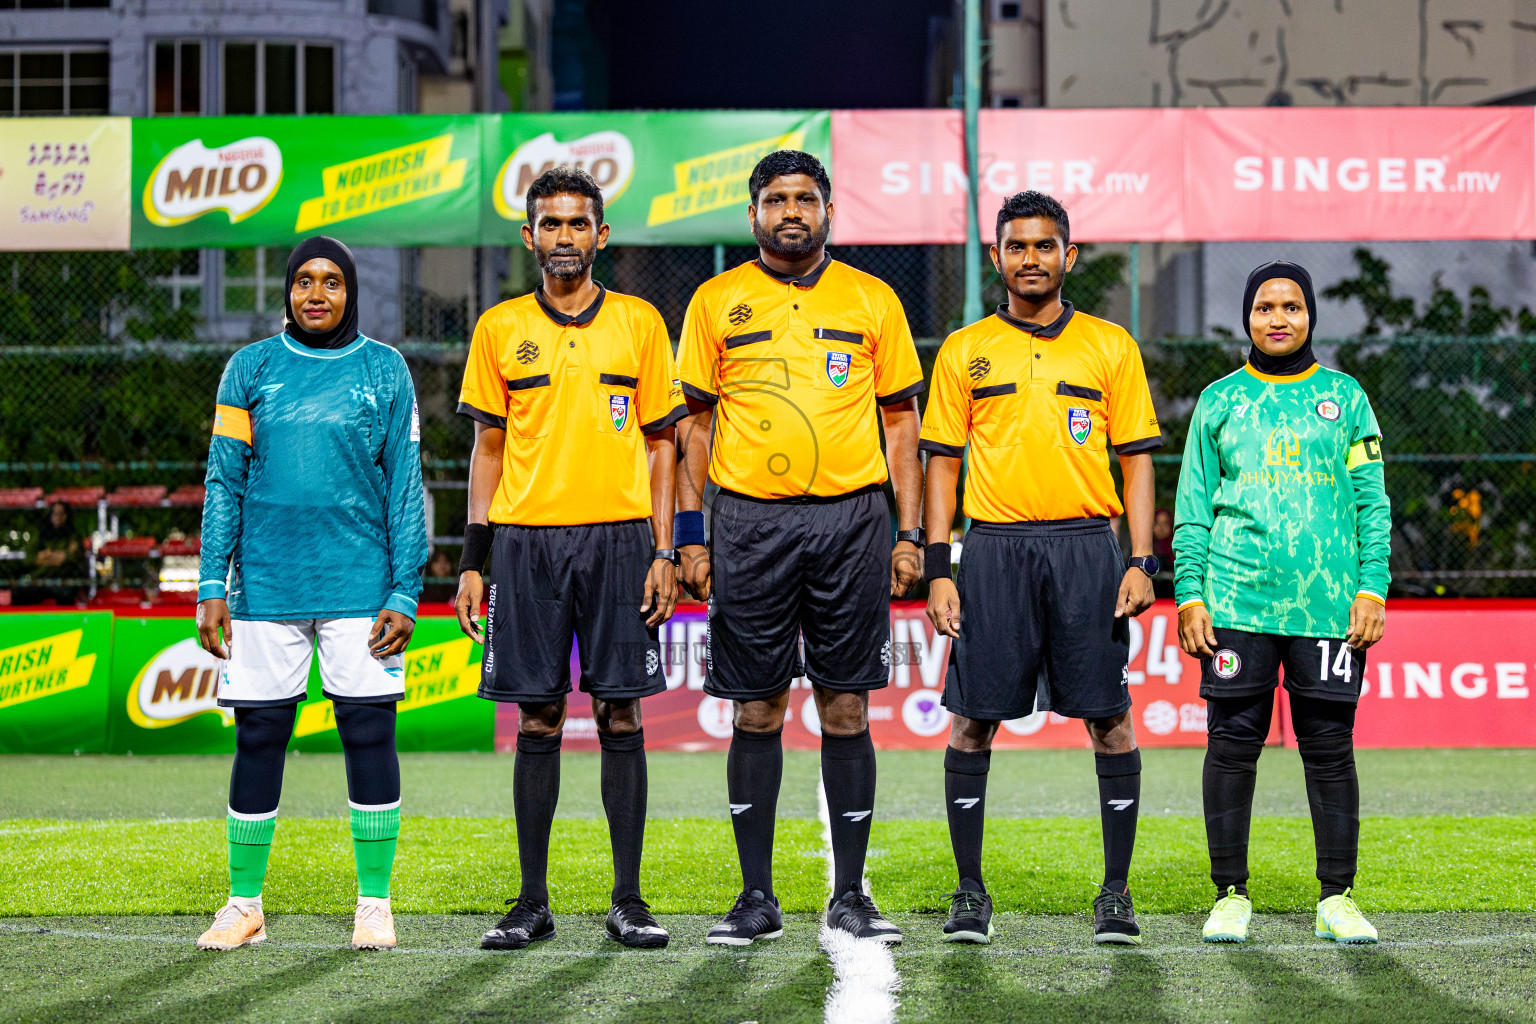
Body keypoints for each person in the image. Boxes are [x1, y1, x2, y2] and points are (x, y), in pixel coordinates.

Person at [675, 150, 925, 945]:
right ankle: (756, 898)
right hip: (748, 523)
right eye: (777, 199)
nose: (792, 211)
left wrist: (910, 533)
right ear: (753, 214)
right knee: (757, 706)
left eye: (806, 199)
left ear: (828, 212)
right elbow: (694, 428)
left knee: (846, 703)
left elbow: (900, 425)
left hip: (853, 522)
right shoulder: (716, 301)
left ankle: (850, 894)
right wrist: (690, 534)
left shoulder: (871, 298)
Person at [922, 191, 1162, 946]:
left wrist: (1141, 559)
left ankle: (1116, 893)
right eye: (1017, 246)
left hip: (1090, 548)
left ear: (1070, 255)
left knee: (1110, 720)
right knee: (972, 723)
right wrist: (938, 566)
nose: (1031, 258)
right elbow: (940, 464)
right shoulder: (965, 350)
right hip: (992, 550)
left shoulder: (1109, 345)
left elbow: (1136, 461)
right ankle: (970, 892)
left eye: (1045, 245)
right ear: (997, 256)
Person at [454, 166, 684, 952]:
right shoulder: (498, 329)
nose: (563, 238)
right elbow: (487, 450)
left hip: (621, 541)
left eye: (577, 224)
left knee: (622, 712)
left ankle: (629, 901)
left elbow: (664, 447)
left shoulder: (642, 325)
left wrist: (664, 547)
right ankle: (532, 902)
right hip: (525, 545)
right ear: (529, 237)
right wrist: (472, 560)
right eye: (549, 225)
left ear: (601, 235)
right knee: (539, 715)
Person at [193, 236, 428, 953]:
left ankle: (375, 904)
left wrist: (405, 589)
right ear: (288, 291)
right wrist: (211, 580)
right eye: (304, 281)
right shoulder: (250, 368)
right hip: (265, 584)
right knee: (260, 735)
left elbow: (405, 488)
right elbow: (223, 480)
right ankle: (243, 906)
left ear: (350, 289)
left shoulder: (385, 370)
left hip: (362, 586)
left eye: (331, 281)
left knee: (368, 733)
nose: (317, 293)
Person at [1174, 261, 1390, 945]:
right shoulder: (1219, 401)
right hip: (1236, 602)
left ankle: (1337, 898)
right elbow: (1191, 508)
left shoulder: (1346, 399)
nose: (1278, 318)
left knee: (1330, 748)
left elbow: (1371, 503)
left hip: (1328, 607)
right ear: (1247, 317)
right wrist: (1189, 593)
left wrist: (1371, 586)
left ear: (1309, 316)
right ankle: (1230, 894)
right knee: (1232, 746)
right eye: (1265, 306)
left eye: (1291, 306)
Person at [25, 501, 86, 605]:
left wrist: (45, 557)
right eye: (55, 514)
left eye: (61, 514)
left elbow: (72, 558)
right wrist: (57, 557)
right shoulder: (39, 533)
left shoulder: (73, 535)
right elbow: (28, 559)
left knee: (67, 593)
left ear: (67, 516)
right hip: (40, 580)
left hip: (64, 581)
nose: (58, 517)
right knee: (20, 594)